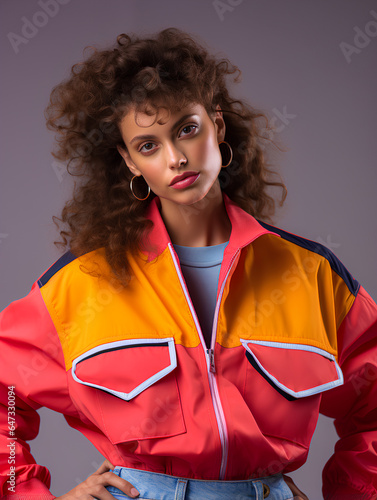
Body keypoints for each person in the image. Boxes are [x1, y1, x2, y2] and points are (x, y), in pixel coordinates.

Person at [0, 27, 376, 500]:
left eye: (187, 129)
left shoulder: (313, 275)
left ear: (217, 125)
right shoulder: (81, 283)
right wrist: (25, 494)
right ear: (130, 161)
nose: (176, 158)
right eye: (148, 145)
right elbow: (5, 396)